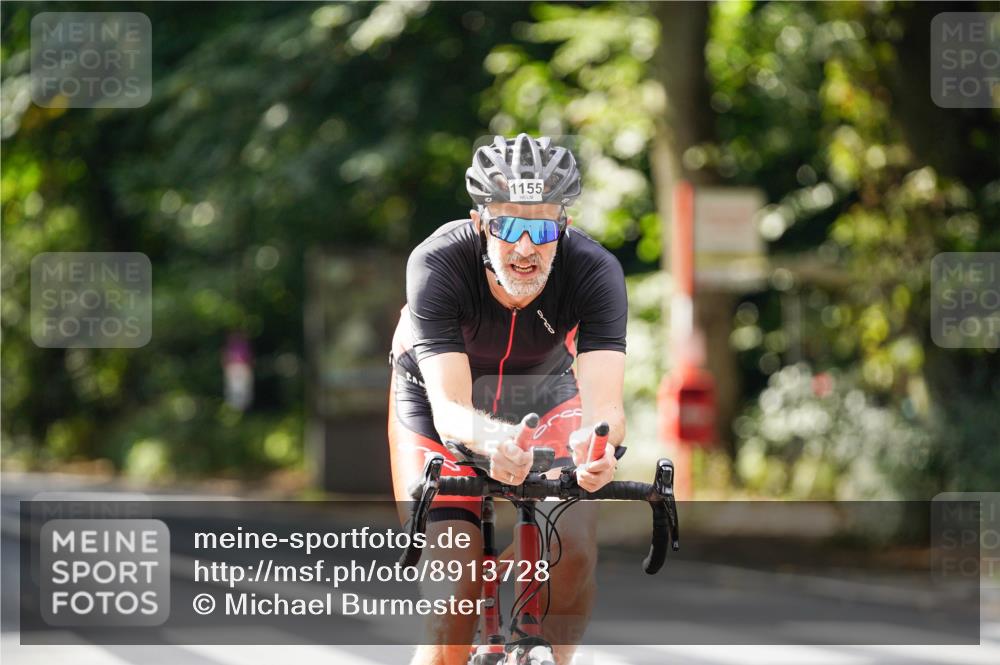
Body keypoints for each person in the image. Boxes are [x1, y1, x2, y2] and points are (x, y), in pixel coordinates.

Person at [388, 133, 627, 665]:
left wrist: (597, 448)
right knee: (456, 588)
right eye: (509, 226)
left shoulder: (595, 271)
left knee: (574, 546)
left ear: (562, 227)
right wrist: (496, 440)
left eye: (541, 227)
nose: (525, 247)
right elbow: (449, 409)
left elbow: (606, 409)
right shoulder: (437, 262)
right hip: (438, 400)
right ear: (481, 223)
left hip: (544, 395)